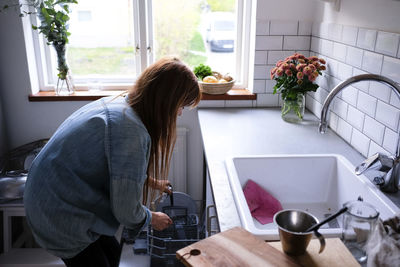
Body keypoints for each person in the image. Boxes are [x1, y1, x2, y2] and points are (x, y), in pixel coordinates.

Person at [23, 56, 202, 267]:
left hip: (49, 194)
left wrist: (149, 181)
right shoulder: (131, 131)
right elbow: (127, 212)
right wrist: (153, 218)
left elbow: (113, 164)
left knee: (113, 257)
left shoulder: (123, 103)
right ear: (166, 101)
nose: (180, 113)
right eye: (181, 106)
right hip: (59, 212)